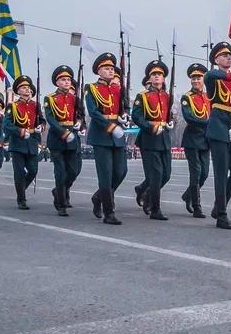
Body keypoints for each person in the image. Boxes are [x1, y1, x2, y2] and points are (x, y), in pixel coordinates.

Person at [204, 41, 231, 230]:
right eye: (224, 55)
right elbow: (209, 74)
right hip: (218, 128)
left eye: (230, 55)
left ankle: (218, 205)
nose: (229, 58)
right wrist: (230, 75)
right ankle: (221, 215)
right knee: (221, 174)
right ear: (216, 59)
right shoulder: (214, 78)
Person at [85, 53, 128, 225]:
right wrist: (111, 126)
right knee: (106, 175)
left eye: (112, 69)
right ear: (99, 71)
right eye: (107, 68)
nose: (110, 71)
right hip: (102, 135)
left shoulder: (118, 89)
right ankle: (108, 212)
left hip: (117, 136)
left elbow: (123, 108)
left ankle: (98, 197)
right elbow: (93, 112)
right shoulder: (92, 88)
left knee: (121, 171)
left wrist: (123, 116)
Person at [132, 60, 173, 221]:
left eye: (160, 74)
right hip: (149, 139)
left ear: (163, 78)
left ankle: (143, 190)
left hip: (164, 139)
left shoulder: (167, 96)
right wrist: (151, 127)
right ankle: (155, 209)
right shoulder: (142, 96)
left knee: (166, 174)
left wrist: (171, 122)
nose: (157, 77)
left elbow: (169, 115)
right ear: (149, 78)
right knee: (156, 175)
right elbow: (137, 116)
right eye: (154, 74)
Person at [44, 65, 80, 216]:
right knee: (60, 172)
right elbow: (50, 119)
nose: (67, 82)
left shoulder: (74, 98)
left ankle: (59, 190)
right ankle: (61, 203)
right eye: (63, 79)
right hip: (57, 139)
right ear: (57, 82)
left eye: (68, 79)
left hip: (72, 138)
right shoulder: (50, 99)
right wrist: (63, 132)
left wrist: (80, 123)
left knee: (74, 170)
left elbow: (79, 114)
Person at [4, 75, 43, 210]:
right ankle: (21, 198)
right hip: (18, 143)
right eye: (23, 88)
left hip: (31, 142)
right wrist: (20, 131)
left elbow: (41, 121)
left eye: (28, 87)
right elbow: (7, 125)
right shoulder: (12, 106)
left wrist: (40, 128)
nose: (27, 90)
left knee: (33, 170)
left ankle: (21, 189)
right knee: (19, 172)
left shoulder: (36, 105)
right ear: (18, 91)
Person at [179, 63, 211, 218]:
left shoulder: (208, 96)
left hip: (206, 140)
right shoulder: (187, 97)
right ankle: (197, 206)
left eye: (198, 77)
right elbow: (189, 117)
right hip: (192, 139)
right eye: (193, 78)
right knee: (196, 172)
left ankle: (187, 195)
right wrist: (208, 123)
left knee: (204, 173)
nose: (196, 80)